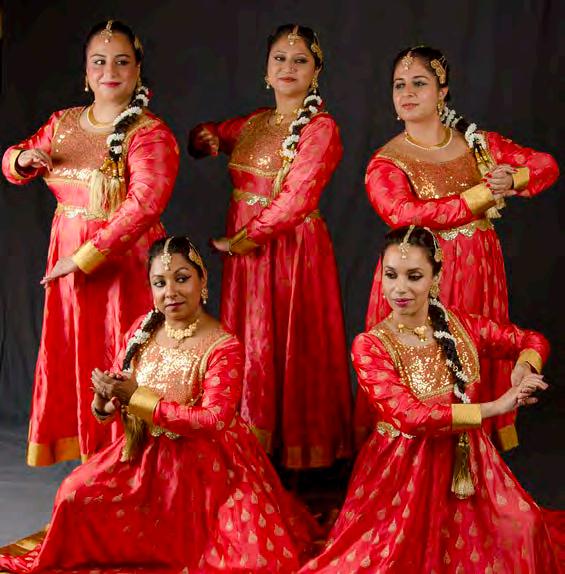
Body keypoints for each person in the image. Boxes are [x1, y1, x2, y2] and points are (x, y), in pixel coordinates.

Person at [0, 237, 319, 573]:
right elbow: (116, 399)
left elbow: (214, 420)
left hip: (208, 467)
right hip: (143, 458)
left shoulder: (224, 346)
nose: (171, 292)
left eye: (182, 278)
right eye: (160, 283)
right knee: (72, 494)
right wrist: (103, 401)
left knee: (251, 560)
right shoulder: (143, 329)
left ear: (203, 280)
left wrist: (137, 398)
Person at [302, 226, 563, 573]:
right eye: (391, 275)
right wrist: (496, 407)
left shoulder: (461, 326)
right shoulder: (371, 346)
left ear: (436, 277)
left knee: (525, 527)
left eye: (414, 276)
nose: (400, 288)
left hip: (470, 464)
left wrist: (523, 366)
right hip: (404, 472)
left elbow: (531, 340)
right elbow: (410, 417)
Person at [355, 45, 559, 450]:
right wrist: (479, 197)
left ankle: (476, 443)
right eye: (399, 85)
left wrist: (512, 180)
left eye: (419, 83)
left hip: (478, 265)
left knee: (476, 343)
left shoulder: (476, 144)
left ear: (442, 91)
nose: (407, 93)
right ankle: (422, 448)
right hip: (421, 270)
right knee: (424, 355)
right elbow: (402, 213)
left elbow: (546, 165)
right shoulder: (387, 161)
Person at [2, 20, 179, 465]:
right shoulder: (62, 123)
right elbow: (10, 161)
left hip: (124, 261)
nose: (109, 72)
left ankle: (128, 458)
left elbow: (145, 204)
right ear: (85, 72)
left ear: (137, 71)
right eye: (99, 62)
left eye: (121, 62)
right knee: (75, 352)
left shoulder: (149, 133)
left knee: (124, 352)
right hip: (67, 259)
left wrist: (85, 256)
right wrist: (22, 159)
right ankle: (90, 456)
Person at [188, 24, 352, 469]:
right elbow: (210, 134)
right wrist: (204, 140)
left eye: (300, 61)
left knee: (293, 344)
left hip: (293, 251)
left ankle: (299, 452)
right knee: (250, 339)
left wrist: (242, 240)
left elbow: (298, 199)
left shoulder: (321, 128)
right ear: (266, 69)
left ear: (315, 72)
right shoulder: (254, 123)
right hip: (247, 253)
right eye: (279, 58)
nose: (288, 67)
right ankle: (250, 441)